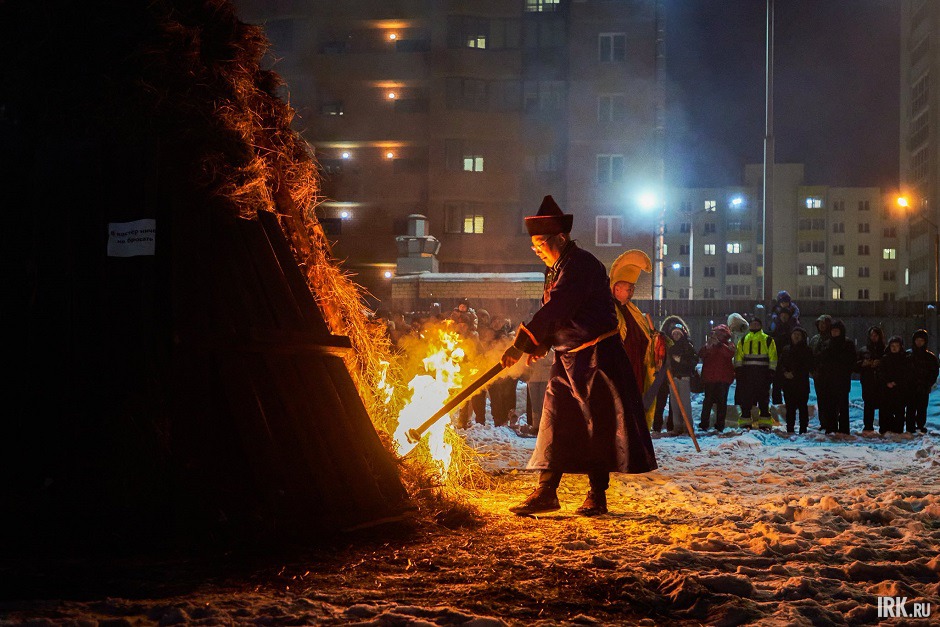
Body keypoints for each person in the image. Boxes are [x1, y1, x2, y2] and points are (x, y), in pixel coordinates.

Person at [500, 195, 657, 517]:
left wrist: (523, 343)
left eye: (541, 243)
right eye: (533, 245)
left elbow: (560, 307)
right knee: (556, 421)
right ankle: (546, 492)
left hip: (598, 359)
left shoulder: (581, 264)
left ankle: (597, 495)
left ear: (560, 238)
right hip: (567, 359)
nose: (537, 249)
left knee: (597, 425)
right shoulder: (556, 269)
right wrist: (544, 344)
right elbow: (562, 316)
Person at [609, 249, 660, 429]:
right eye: (629, 288)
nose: (632, 292)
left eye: (633, 288)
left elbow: (644, 336)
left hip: (636, 366)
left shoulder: (633, 311)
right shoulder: (608, 310)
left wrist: (656, 341)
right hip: (619, 369)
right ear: (616, 288)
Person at [733, 315, 777, 430]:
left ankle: (765, 422)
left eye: (757, 324)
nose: (754, 326)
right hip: (747, 374)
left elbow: (773, 356)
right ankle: (745, 421)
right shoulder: (743, 340)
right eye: (752, 324)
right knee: (746, 399)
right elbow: (738, 357)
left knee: (763, 399)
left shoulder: (768, 340)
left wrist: (771, 371)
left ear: (761, 326)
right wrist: (738, 370)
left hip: (763, 374)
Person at [815, 319, 856, 434]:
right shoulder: (827, 344)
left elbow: (851, 361)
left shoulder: (847, 344)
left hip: (842, 380)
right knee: (830, 406)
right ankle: (831, 427)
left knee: (843, 406)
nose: (834, 333)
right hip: (828, 381)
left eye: (836, 331)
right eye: (832, 331)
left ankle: (843, 429)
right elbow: (821, 359)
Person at [697, 324, 735, 432]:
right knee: (707, 402)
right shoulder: (709, 345)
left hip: (723, 379)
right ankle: (704, 424)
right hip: (710, 378)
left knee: (721, 403)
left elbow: (729, 354)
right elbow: (701, 354)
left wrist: (718, 345)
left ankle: (720, 425)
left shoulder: (729, 345)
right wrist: (708, 347)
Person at [777, 326, 813, 434]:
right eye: (794, 334)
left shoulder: (807, 350)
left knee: (802, 407)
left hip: (801, 383)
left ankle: (803, 428)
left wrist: (795, 373)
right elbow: (781, 363)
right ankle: (790, 428)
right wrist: (785, 373)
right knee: (790, 407)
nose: (796, 336)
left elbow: (808, 365)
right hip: (788, 383)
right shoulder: (786, 349)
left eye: (798, 335)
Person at [906, 328, 939, 434]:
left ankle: (920, 426)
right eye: (917, 340)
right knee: (910, 408)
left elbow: (934, 372)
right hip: (910, 388)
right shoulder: (908, 355)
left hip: (923, 387)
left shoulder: (930, 357)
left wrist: (927, 383)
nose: (919, 342)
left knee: (922, 408)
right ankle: (910, 427)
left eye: (921, 340)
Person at [855, 325, 886, 433]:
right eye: (871, 335)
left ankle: (884, 427)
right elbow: (855, 366)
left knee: (883, 404)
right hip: (868, 381)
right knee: (868, 404)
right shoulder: (864, 350)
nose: (873, 337)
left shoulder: (885, 350)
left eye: (875, 335)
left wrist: (880, 363)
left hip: (881, 381)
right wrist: (863, 364)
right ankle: (868, 426)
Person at [878, 336, 911, 434]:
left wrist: (897, 382)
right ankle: (885, 430)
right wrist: (887, 382)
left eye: (897, 346)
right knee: (885, 410)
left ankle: (898, 431)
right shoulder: (885, 358)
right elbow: (880, 373)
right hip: (886, 389)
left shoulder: (905, 359)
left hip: (900, 389)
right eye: (892, 346)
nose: (894, 348)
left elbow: (907, 373)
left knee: (899, 411)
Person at [808, 314, 833, 431]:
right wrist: (812, 370)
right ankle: (823, 423)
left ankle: (831, 423)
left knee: (830, 400)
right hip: (818, 375)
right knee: (821, 399)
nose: (822, 326)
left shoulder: (832, 338)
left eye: (824, 323)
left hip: (830, 375)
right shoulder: (815, 339)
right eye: (820, 323)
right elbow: (810, 356)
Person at [769, 306, 796, 405]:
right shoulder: (775, 326)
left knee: (789, 387)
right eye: (782, 315)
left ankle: (790, 407)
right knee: (776, 386)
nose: (784, 317)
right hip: (776, 359)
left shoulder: (793, 327)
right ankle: (778, 407)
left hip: (789, 361)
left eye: (786, 315)